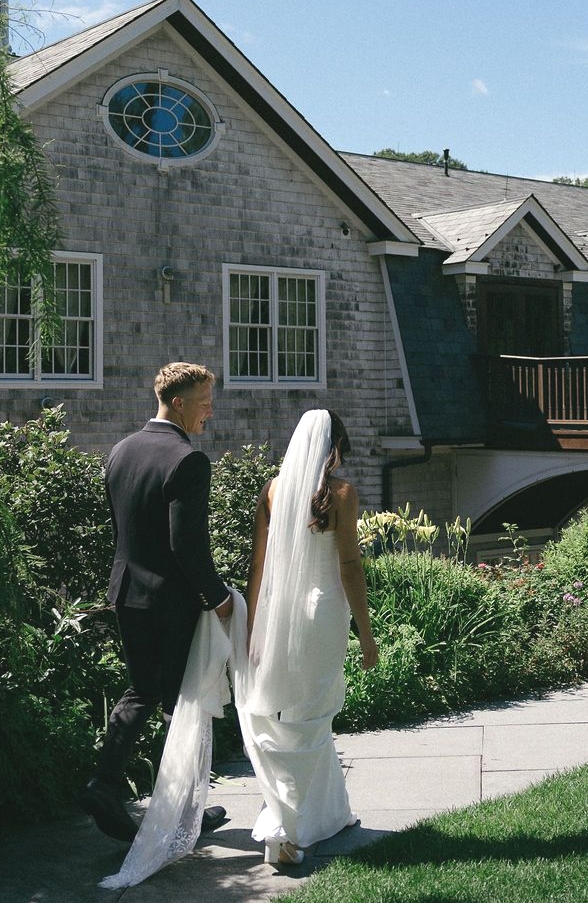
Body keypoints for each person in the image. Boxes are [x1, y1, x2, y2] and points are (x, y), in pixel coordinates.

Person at [80, 362, 233, 844]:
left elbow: (123, 530)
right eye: (206, 401)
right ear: (181, 402)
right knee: (181, 703)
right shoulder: (188, 459)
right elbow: (188, 545)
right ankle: (181, 812)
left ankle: (105, 783)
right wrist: (220, 598)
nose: (211, 410)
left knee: (142, 690)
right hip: (172, 600)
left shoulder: (121, 450)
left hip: (128, 592)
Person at [238, 408, 378, 867]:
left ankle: (325, 816)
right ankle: (289, 829)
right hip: (321, 613)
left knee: (292, 714)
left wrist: (252, 625)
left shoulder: (273, 491)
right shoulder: (340, 494)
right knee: (314, 715)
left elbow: (257, 566)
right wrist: (367, 635)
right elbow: (350, 566)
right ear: (333, 448)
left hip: (279, 612)